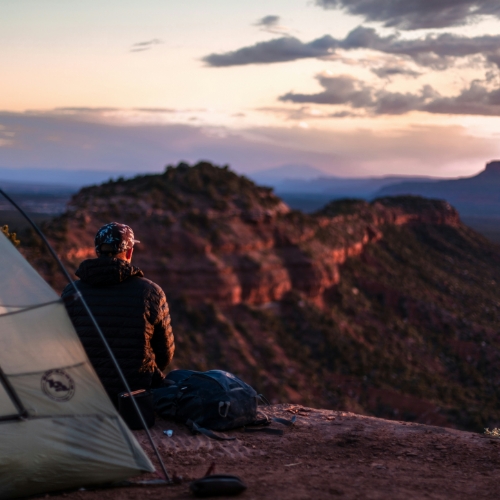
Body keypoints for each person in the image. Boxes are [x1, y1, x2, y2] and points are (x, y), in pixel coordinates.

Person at [62, 222, 175, 405]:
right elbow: (165, 353)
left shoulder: (71, 292)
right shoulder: (151, 292)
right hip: (134, 399)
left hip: (84, 394)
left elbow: (60, 345)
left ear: (97, 251)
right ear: (129, 252)